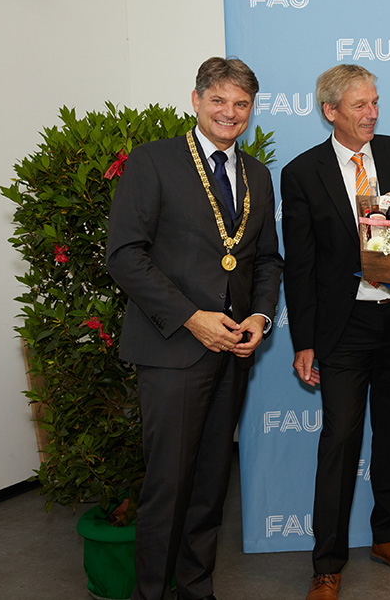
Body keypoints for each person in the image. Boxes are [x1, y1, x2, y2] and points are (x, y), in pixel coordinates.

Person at [107, 56, 284, 600]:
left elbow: (267, 260)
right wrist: (191, 317)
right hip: (171, 349)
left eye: (241, 105)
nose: (230, 114)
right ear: (196, 100)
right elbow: (125, 255)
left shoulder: (257, 173)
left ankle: (196, 588)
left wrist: (259, 316)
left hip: (233, 351)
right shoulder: (153, 161)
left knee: (210, 483)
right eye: (219, 101)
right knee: (168, 486)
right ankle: (151, 593)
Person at [281, 64, 390, 600]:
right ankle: (327, 563)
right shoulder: (302, 173)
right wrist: (304, 341)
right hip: (343, 329)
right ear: (330, 111)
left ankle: (388, 537)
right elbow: (301, 266)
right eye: (359, 106)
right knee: (339, 441)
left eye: (375, 102)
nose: (371, 113)